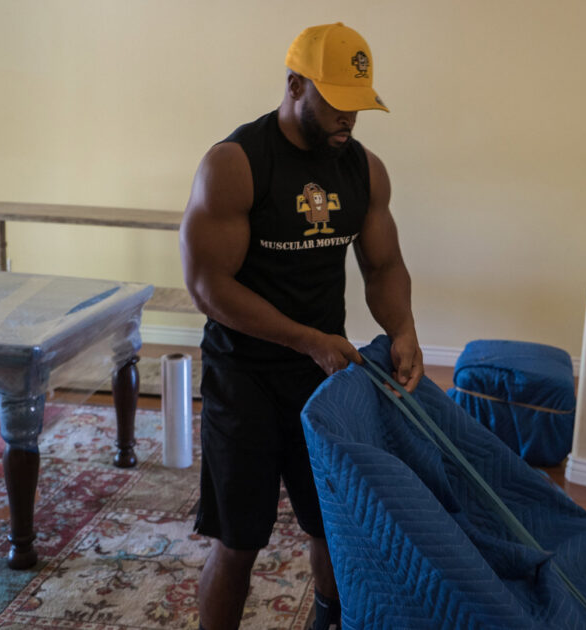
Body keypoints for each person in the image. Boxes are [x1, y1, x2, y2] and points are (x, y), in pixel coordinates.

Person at [180, 22, 423, 630]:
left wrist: (404, 329)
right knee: (239, 540)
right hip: (246, 376)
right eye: (337, 103)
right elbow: (209, 288)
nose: (349, 119)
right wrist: (307, 340)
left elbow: (384, 264)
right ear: (294, 85)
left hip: (324, 375)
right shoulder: (235, 165)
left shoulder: (364, 170)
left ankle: (328, 622)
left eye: (358, 105)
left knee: (332, 525)